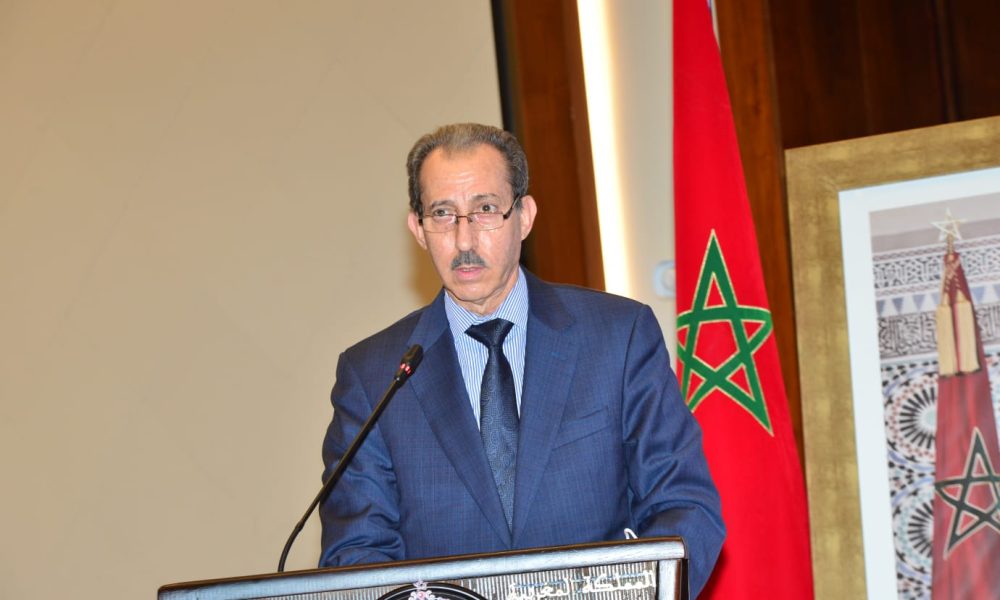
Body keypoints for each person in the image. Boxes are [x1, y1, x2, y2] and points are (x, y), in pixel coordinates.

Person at [319, 123, 724, 596]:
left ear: (524, 216)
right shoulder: (373, 376)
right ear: (418, 229)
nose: (464, 240)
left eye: (486, 210)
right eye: (443, 214)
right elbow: (357, 553)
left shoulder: (618, 337)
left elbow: (684, 506)